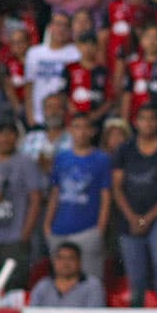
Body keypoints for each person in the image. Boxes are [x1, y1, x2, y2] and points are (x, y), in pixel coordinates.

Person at [111, 103, 157, 307]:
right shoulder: (124, 150)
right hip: (129, 219)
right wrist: (133, 217)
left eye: (152, 119)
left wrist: (147, 218)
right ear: (136, 122)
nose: (147, 123)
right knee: (136, 278)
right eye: (143, 119)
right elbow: (117, 187)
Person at [43, 113, 111, 279]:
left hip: (88, 230)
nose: (81, 132)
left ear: (92, 131)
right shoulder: (62, 157)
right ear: (70, 130)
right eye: (76, 127)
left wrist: (100, 230)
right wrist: (47, 225)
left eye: (85, 127)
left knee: (91, 280)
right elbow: (55, 192)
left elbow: (106, 196)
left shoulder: (102, 159)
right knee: (61, 280)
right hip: (58, 230)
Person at [0, 117, 42, 296]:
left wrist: (25, 233)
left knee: (14, 285)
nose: (5, 138)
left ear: (16, 137)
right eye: (1, 134)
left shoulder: (26, 162)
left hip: (14, 236)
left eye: (9, 134)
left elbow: (35, 198)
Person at [25, 13, 80, 128]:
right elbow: (29, 86)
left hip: (64, 117)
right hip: (38, 116)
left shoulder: (76, 53)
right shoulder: (34, 53)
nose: (62, 29)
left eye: (66, 25)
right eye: (58, 24)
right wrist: (30, 116)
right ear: (50, 27)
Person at [29, 241, 105, 307]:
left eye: (71, 258)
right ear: (54, 261)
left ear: (79, 261)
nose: (65, 263)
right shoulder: (43, 286)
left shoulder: (92, 286)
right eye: (60, 258)